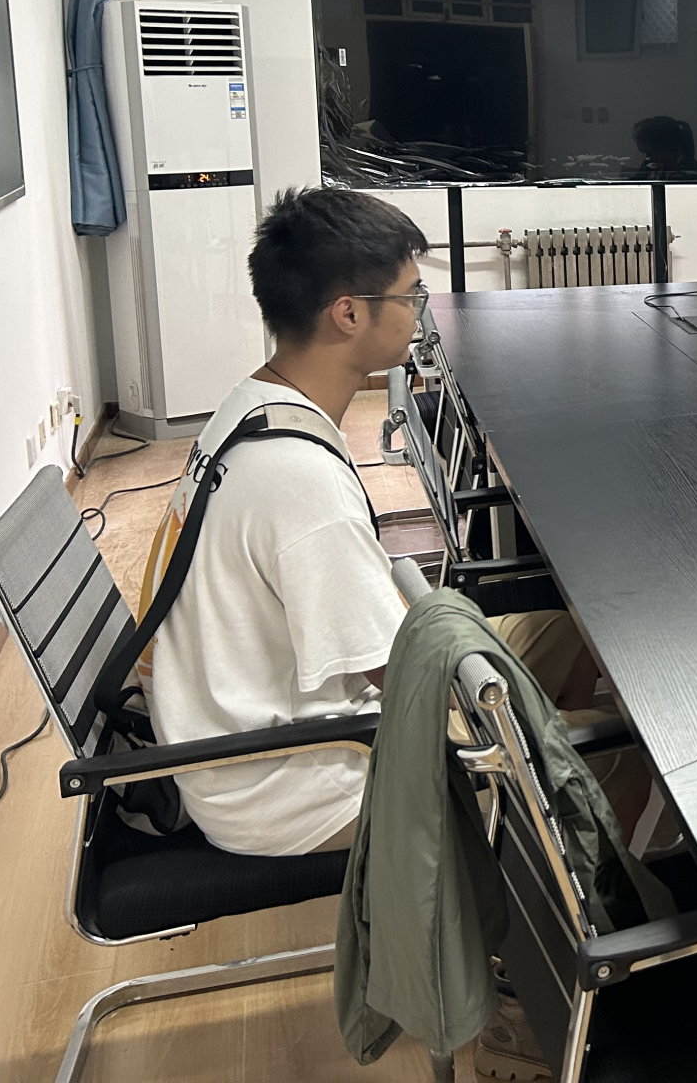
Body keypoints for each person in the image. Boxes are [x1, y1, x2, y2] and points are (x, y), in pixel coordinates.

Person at [140, 188, 621, 863]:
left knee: (574, 629)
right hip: (299, 782)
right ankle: (577, 896)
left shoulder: (252, 404)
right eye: (410, 296)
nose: (420, 311)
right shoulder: (299, 482)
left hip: (252, 734)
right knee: (616, 743)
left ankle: (540, 851)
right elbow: (403, 677)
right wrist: (530, 711)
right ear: (348, 314)